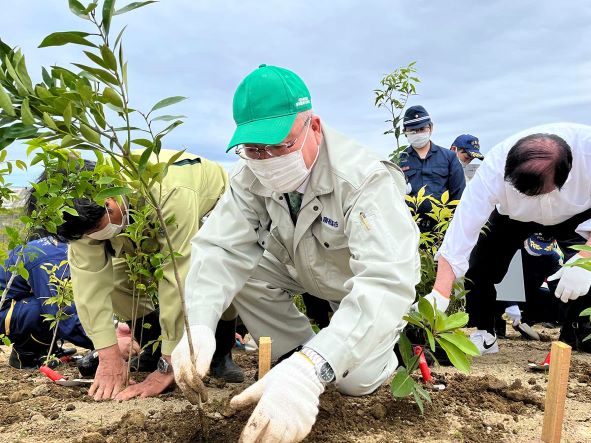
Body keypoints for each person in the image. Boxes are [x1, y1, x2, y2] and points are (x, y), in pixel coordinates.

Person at [171, 64, 420, 442]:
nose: (267, 160)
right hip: (297, 266)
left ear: (313, 127)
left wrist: (316, 367)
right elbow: (220, 249)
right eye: (254, 148)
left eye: (279, 145)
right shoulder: (249, 174)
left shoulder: (363, 179)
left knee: (354, 382)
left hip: (356, 284)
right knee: (243, 274)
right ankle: (295, 357)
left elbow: (386, 281)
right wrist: (201, 324)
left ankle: (340, 362)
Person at [28, 150, 242, 401]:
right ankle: (152, 347)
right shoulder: (78, 215)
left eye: (98, 226)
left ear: (109, 199)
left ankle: (220, 353)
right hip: (135, 219)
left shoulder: (169, 190)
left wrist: (169, 365)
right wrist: (108, 356)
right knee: (120, 281)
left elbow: (177, 274)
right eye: (88, 233)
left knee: (216, 276)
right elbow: (88, 283)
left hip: (205, 210)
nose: (96, 235)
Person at [426, 122, 591, 355]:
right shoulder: (493, 168)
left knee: (583, 273)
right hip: (513, 216)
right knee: (479, 265)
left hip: (577, 214)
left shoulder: (588, 152)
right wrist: (440, 293)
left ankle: (579, 333)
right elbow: (462, 229)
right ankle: (485, 333)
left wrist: (585, 258)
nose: (534, 200)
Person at [0, 236, 94, 368]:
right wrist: (105, 343)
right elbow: (62, 315)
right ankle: (26, 356)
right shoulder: (52, 260)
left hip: (12, 307)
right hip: (3, 311)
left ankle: (48, 350)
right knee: (48, 307)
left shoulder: (61, 246)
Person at [400, 105, 466, 231]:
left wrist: (452, 227)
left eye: (422, 129)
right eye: (413, 130)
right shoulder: (399, 162)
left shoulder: (449, 158)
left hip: (441, 229)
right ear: (405, 132)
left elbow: (459, 195)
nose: (418, 134)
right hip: (410, 229)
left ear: (430, 128)